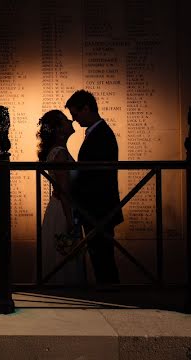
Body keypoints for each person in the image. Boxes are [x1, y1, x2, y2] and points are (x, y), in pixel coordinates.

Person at [65, 89, 122, 287]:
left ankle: (111, 297)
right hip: (97, 208)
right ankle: (109, 294)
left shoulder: (102, 135)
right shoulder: (99, 133)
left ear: (87, 108)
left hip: (99, 209)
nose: (75, 120)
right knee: (100, 256)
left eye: (76, 114)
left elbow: (97, 177)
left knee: (102, 257)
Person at [36, 109, 86, 286]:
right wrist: (70, 221)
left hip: (59, 208)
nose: (71, 121)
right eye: (65, 120)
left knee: (62, 260)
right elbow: (64, 190)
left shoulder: (58, 151)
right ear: (59, 130)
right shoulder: (60, 154)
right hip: (64, 211)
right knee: (66, 258)